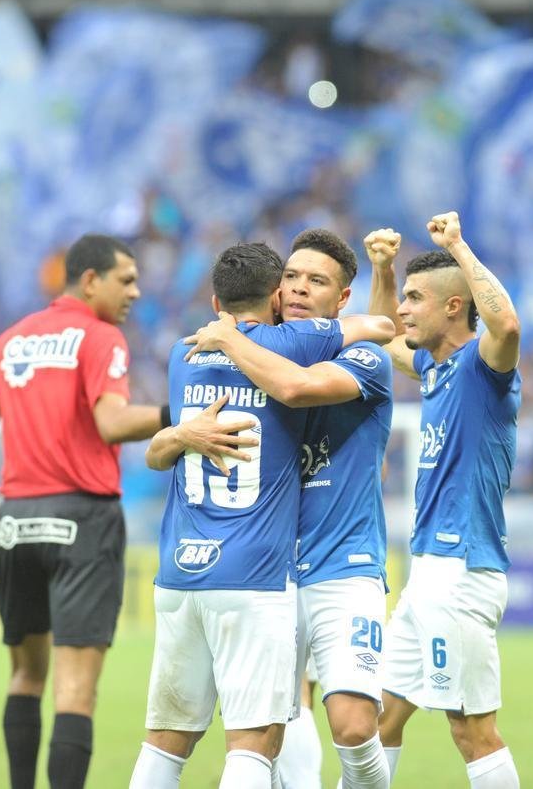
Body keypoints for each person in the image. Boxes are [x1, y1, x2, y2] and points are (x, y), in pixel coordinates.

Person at [0, 234, 252, 789]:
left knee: (24, 675)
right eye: (126, 279)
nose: (136, 292)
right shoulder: (100, 337)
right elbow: (111, 424)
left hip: (14, 520)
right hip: (82, 521)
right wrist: (176, 412)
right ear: (90, 281)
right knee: (76, 688)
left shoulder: (7, 342)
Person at [129, 242, 394, 789]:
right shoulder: (277, 343)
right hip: (268, 566)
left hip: (336, 561)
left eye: (315, 281)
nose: (299, 288)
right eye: (291, 276)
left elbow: (299, 384)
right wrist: (177, 432)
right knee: (266, 729)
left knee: (349, 724)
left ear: (343, 296)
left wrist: (226, 334)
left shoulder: (359, 358)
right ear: (275, 293)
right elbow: (161, 449)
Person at [367, 213, 522, 788]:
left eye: (414, 297)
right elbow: (382, 335)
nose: (402, 307)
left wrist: (457, 247)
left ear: (454, 307)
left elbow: (504, 322)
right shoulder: (435, 367)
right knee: (378, 717)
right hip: (428, 570)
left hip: (461, 571)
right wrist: (382, 269)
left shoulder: (485, 368)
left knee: (470, 729)